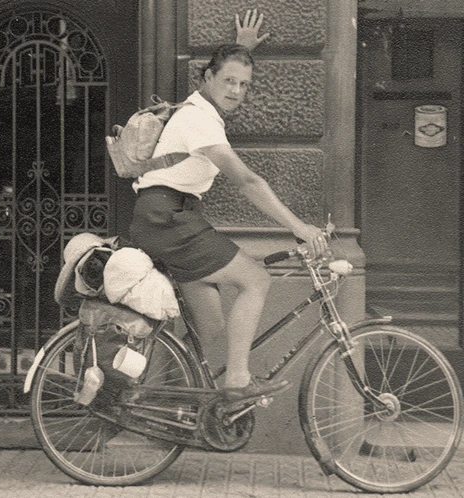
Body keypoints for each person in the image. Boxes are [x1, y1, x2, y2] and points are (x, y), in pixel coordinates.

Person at [129, 12, 327, 400]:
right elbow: (247, 181)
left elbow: (229, 75)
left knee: (214, 330)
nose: (237, 91)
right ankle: (238, 380)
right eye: (228, 81)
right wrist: (300, 228)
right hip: (169, 218)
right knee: (255, 280)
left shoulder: (201, 111)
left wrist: (242, 51)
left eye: (244, 84)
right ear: (206, 78)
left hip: (168, 217)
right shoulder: (199, 121)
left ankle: (186, 405)